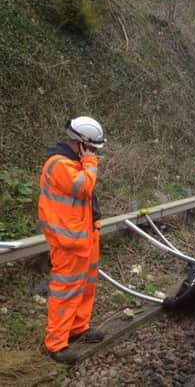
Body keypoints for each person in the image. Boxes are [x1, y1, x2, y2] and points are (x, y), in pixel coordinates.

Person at [38, 116, 106, 364]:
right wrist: (89, 162)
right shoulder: (59, 164)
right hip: (68, 241)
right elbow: (83, 188)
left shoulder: (74, 162)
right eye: (92, 149)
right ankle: (56, 343)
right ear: (81, 143)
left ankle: (78, 328)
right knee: (65, 291)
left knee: (86, 286)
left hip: (84, 236)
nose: (94, 154)